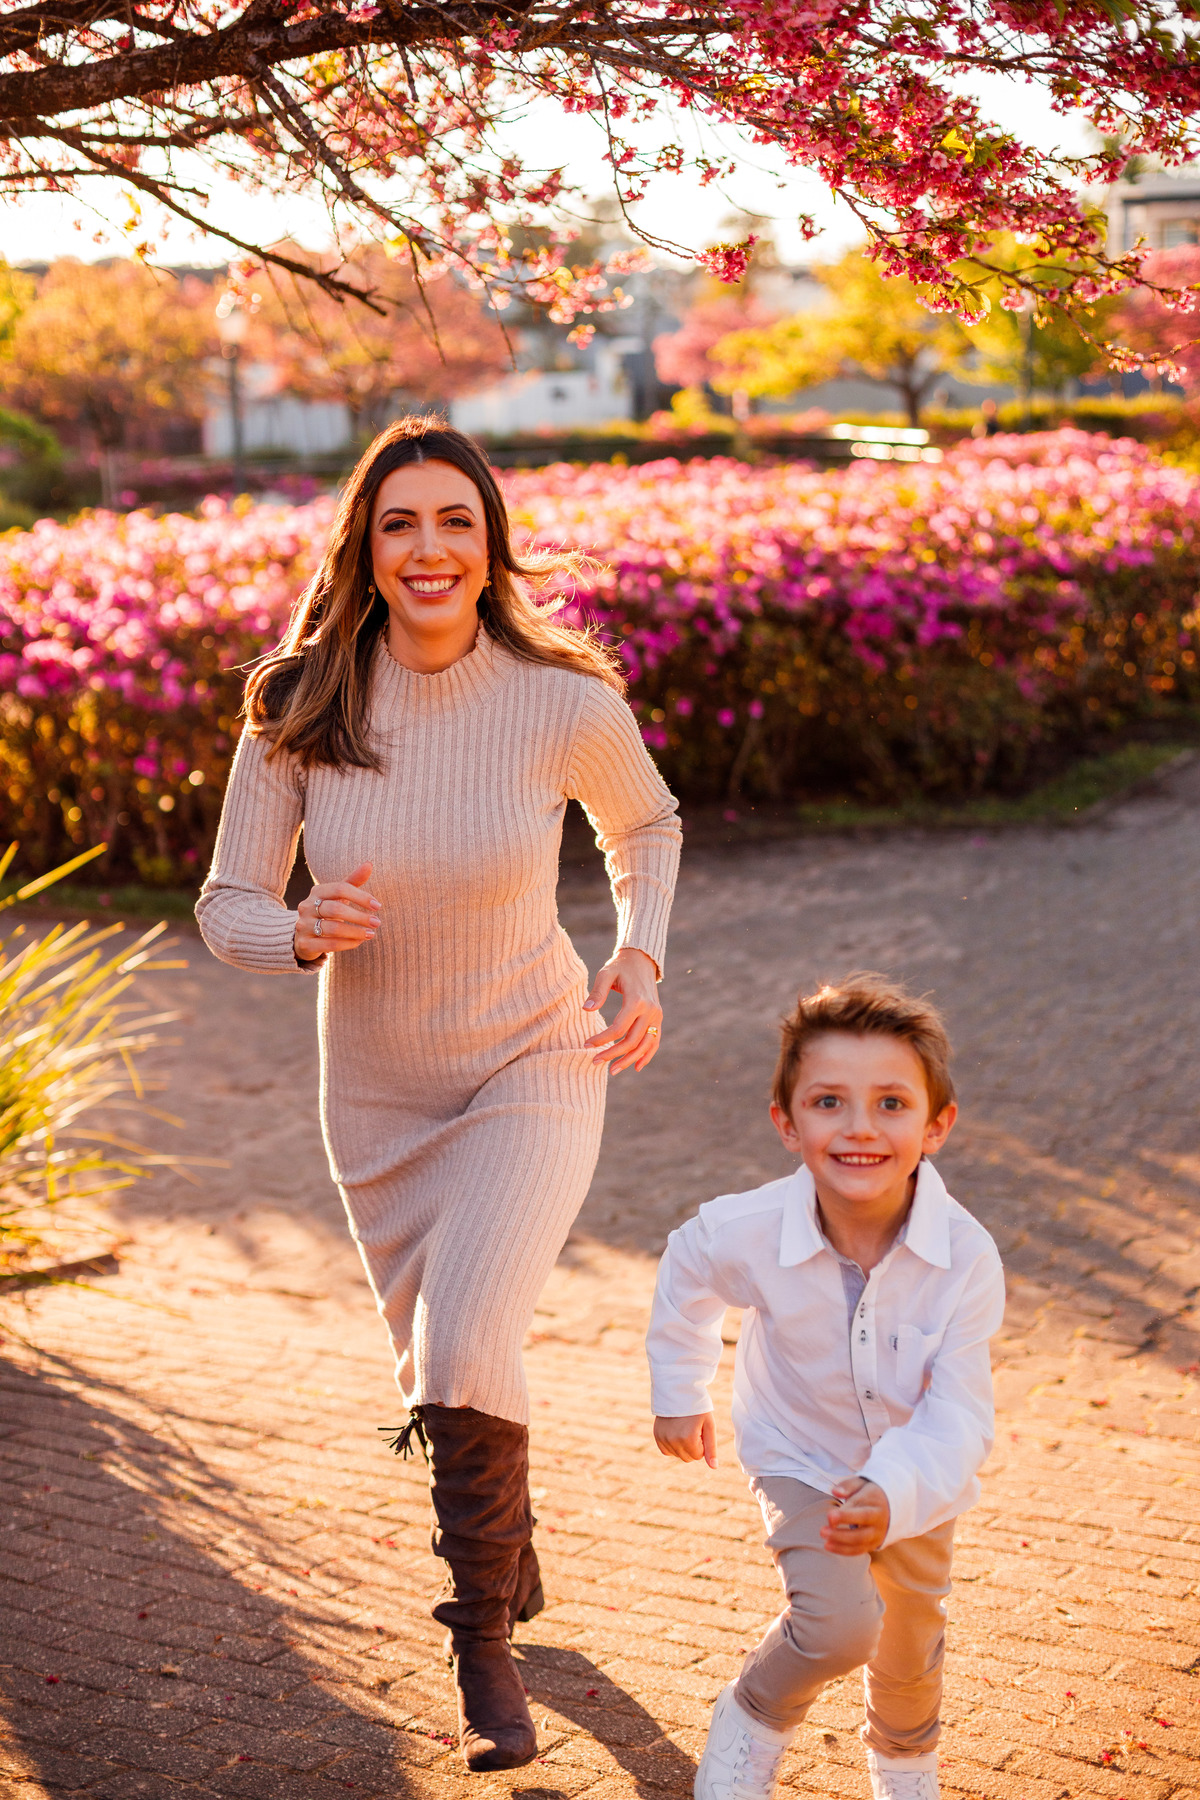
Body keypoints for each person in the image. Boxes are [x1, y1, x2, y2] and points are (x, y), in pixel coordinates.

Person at [197, 416, 681, 1773]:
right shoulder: (302, 707)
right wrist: (297, 930)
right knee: (443, 1360)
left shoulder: (558, 698)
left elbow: (644, 822)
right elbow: (227, 900)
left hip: (536, 1055)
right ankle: (507, 1554)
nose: (428, 549)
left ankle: (480, 1641)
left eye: (455, 522)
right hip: (378, 1098)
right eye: (399, 522)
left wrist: (639, 954)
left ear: (490, 544)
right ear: (365, 545)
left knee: (466, 1329)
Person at [646, 973, 1005, 1800]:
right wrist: (680, 1388)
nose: (860, 1128)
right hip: (799, 1453)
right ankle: (751, 1715)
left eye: (891, 1104)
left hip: (919, 1472)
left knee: (909, 1647)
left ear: (937, 1125)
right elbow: (688, 1266)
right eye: (828, 1102)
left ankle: (906, 1769)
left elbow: (960, 1411)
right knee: (839, 1627)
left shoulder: (966, 1256)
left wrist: (894, 1490)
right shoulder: (748, 1229)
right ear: (787, 1122)